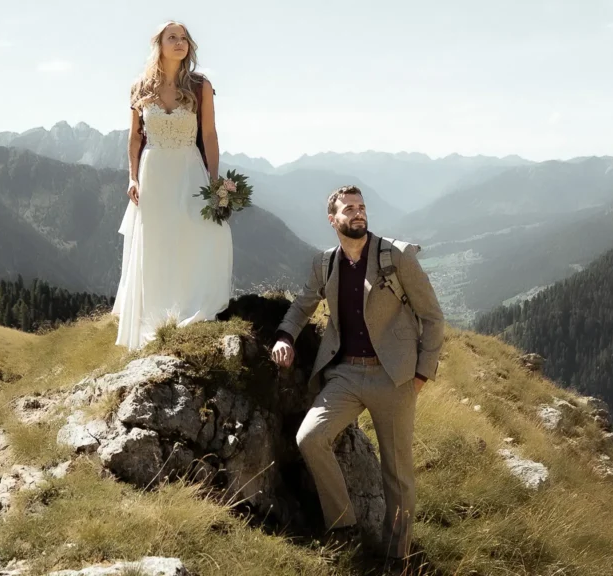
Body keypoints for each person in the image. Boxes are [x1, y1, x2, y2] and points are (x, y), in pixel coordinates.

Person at [271, 185, 445, 569]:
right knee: (310, 438)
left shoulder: (395, 256)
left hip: (394, 378)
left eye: (362, 207)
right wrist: (285, 336)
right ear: (332, 220)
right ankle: (343, 525)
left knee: (396, 474)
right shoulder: (325, 263)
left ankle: (396, 556)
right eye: (348, 209)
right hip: (346, 373)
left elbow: (432, 316)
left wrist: (420, 375)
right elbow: (302, 306)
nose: (358, 213)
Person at [112, 21, 233, 350]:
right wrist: (132, 177)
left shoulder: (200, 86)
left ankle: (190, 304)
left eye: (184, 39)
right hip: (153, 173)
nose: (180, 43)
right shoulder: (140, 87)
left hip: (189, 168)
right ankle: (156, 314)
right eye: (172, 38)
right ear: (160, 45)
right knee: (157, 240)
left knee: (193, 232)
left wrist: (214, 181)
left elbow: (208, 134)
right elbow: (134, 137)